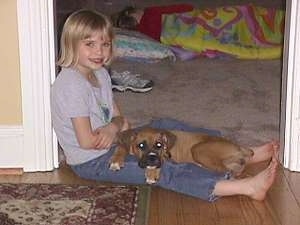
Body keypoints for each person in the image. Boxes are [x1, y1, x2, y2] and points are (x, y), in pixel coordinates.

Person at [51, 9, 279, 202]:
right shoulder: (71, 85)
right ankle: (244, 188)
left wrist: (113, 127)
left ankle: (239, 152)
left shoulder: (100, 73)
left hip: (112, 142)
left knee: (165, 125)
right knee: (158, 167)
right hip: (94, 161)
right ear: (71, 45)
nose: (99, 51)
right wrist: (115, 127)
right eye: (89, 44)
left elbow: (123, 123)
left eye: (105, 44)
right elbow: (88, 141)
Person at [112, 4, 284, 59]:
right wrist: (193, 13)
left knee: (226, 41)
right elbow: (182, 8)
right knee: (243, 14)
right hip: (195, 23)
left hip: (186, 37)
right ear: (133, 13)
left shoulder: (147, 35)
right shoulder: (151, 12)